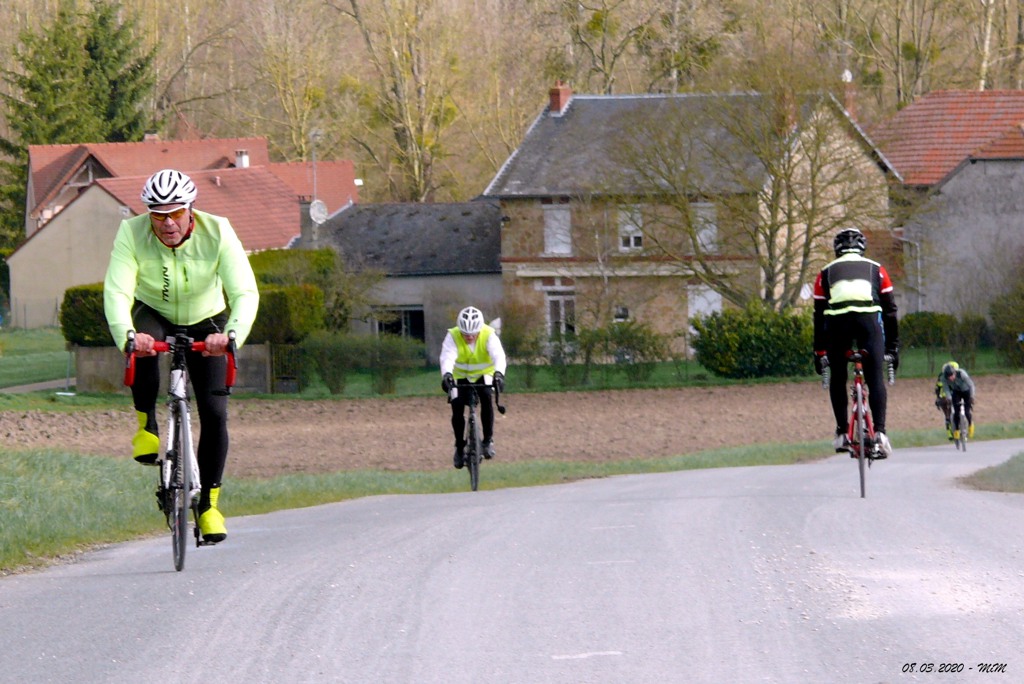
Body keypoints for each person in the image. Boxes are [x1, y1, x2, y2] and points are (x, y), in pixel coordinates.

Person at [104, 169, 259, 544]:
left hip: (208, 320)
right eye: (158, 215)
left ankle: (209, 506)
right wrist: (128, 336)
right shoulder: (131, 233)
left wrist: (230, 336)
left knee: (215, 412)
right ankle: (147, 425)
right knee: (143, 348)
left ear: (191, 209)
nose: (168, 223)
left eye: (175, 213)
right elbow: (117, 292)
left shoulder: (218, 231)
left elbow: (244, 292)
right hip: (154, 313)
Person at [812, 228, 899, 458]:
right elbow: (890, 311)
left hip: (838, 324)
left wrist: (819, 352)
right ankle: (880, 433)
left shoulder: (824, 273)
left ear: (837, 250)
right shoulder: (877, 269)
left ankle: (842, 432)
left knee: (838, 376)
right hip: (868, 322)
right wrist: (893, 348)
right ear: (862, 249)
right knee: (875, 377)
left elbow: (819, 315)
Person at [439, 306, 507, 469]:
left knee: (486, 398)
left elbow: (498, 356)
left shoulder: (488, 334)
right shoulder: (452, 335)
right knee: (457, 408)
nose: (469, 337)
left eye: (473, 333)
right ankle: (459, 447)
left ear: (479, 329)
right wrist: (447, 375)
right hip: (459, 376)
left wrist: (499, 374)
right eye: (465, 334)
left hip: (483, 374)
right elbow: (447, 357)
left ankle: (487, 441)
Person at [935, 361, 975, 440]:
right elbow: (946, 389)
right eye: (948, 377)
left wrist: (971, 396)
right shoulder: (943, 378)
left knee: (967, 411)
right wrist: (949, 398)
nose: (951, 378)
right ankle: (956, 430)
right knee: (956, 412)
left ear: (955, 372)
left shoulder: (962, 374)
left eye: (952, 375)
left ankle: (970, 424)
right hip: (956, 392)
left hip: (966, 391)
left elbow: (971, 385)